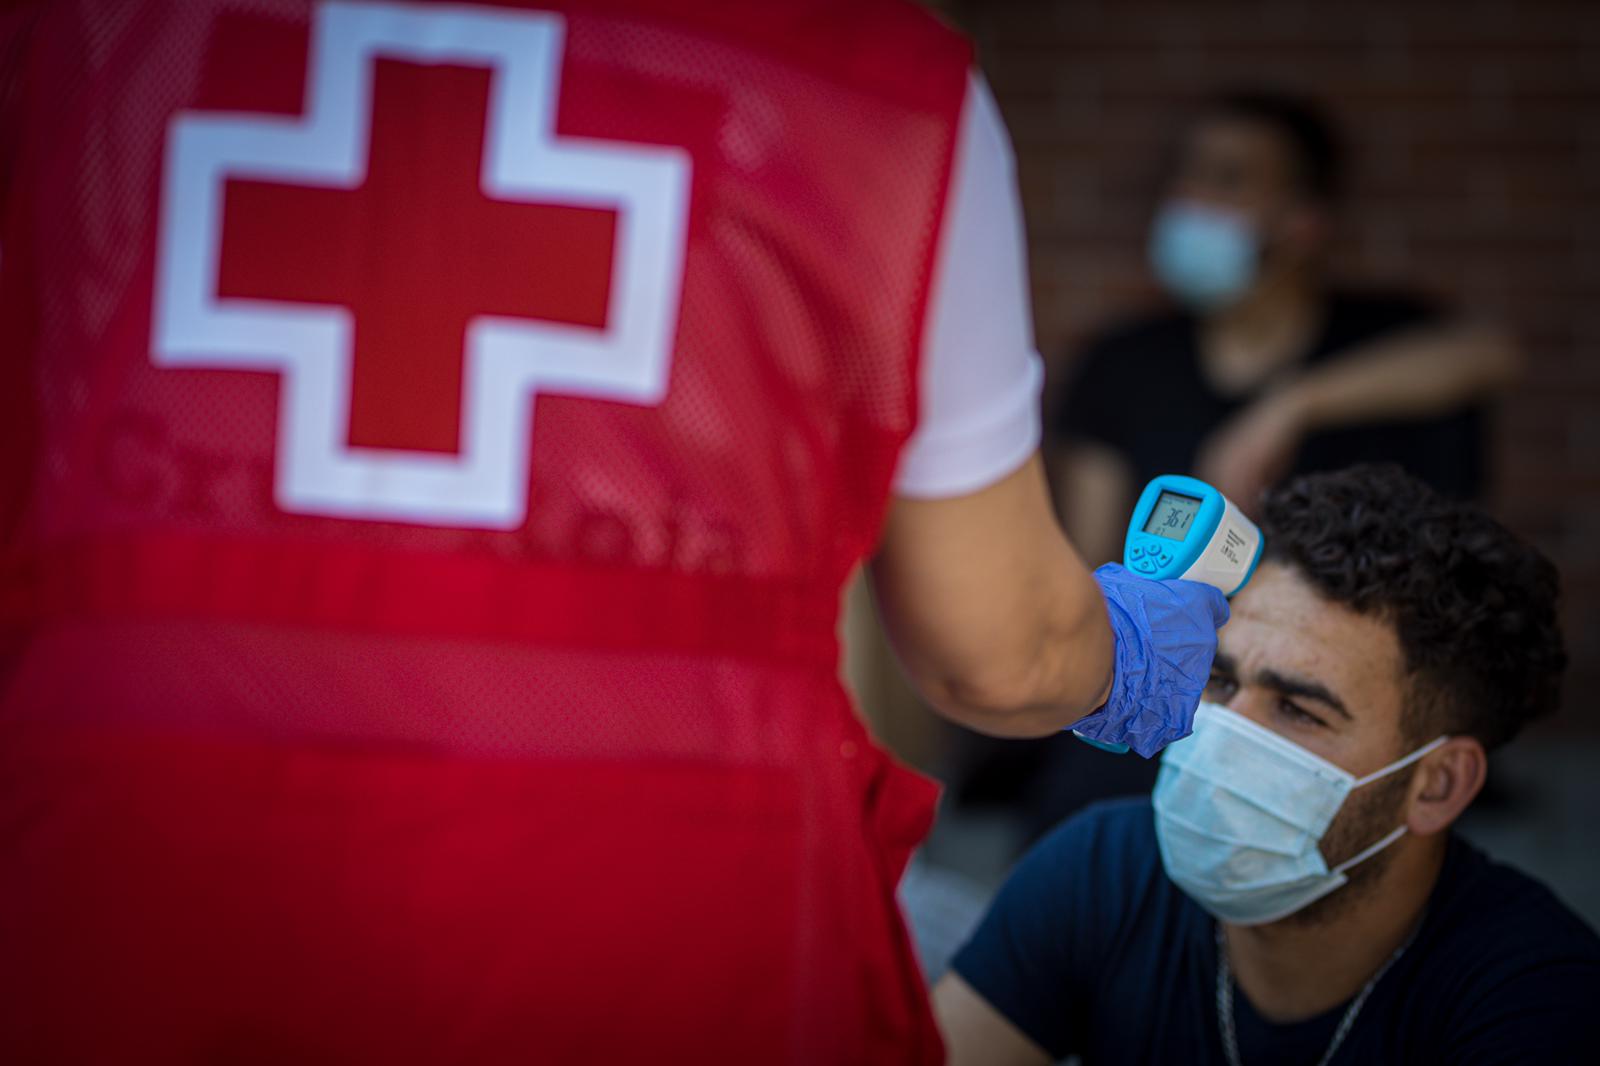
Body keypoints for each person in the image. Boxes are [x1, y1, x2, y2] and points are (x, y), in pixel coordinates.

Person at [0, 2, 1224, 1062]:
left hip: (128, 860)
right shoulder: (879, 97)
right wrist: (1141, 649)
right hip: (657, 877)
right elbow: (997, 651)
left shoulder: (69, 41)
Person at [934, 464, 1600, 1065]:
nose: (1221, 731)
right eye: (1219, 682)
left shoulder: (1538, 998)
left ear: (1438, 784)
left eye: (1299, 712)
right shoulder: (1100, 868)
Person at [1055, 89, 1520, 569]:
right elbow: (1092, 571)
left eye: (1228, 178)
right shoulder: (1121, 363)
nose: (1189, 195)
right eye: (1186, 172)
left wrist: (1288, 407)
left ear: (1304, 223)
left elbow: (1492, 353)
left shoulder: (1388, 331)